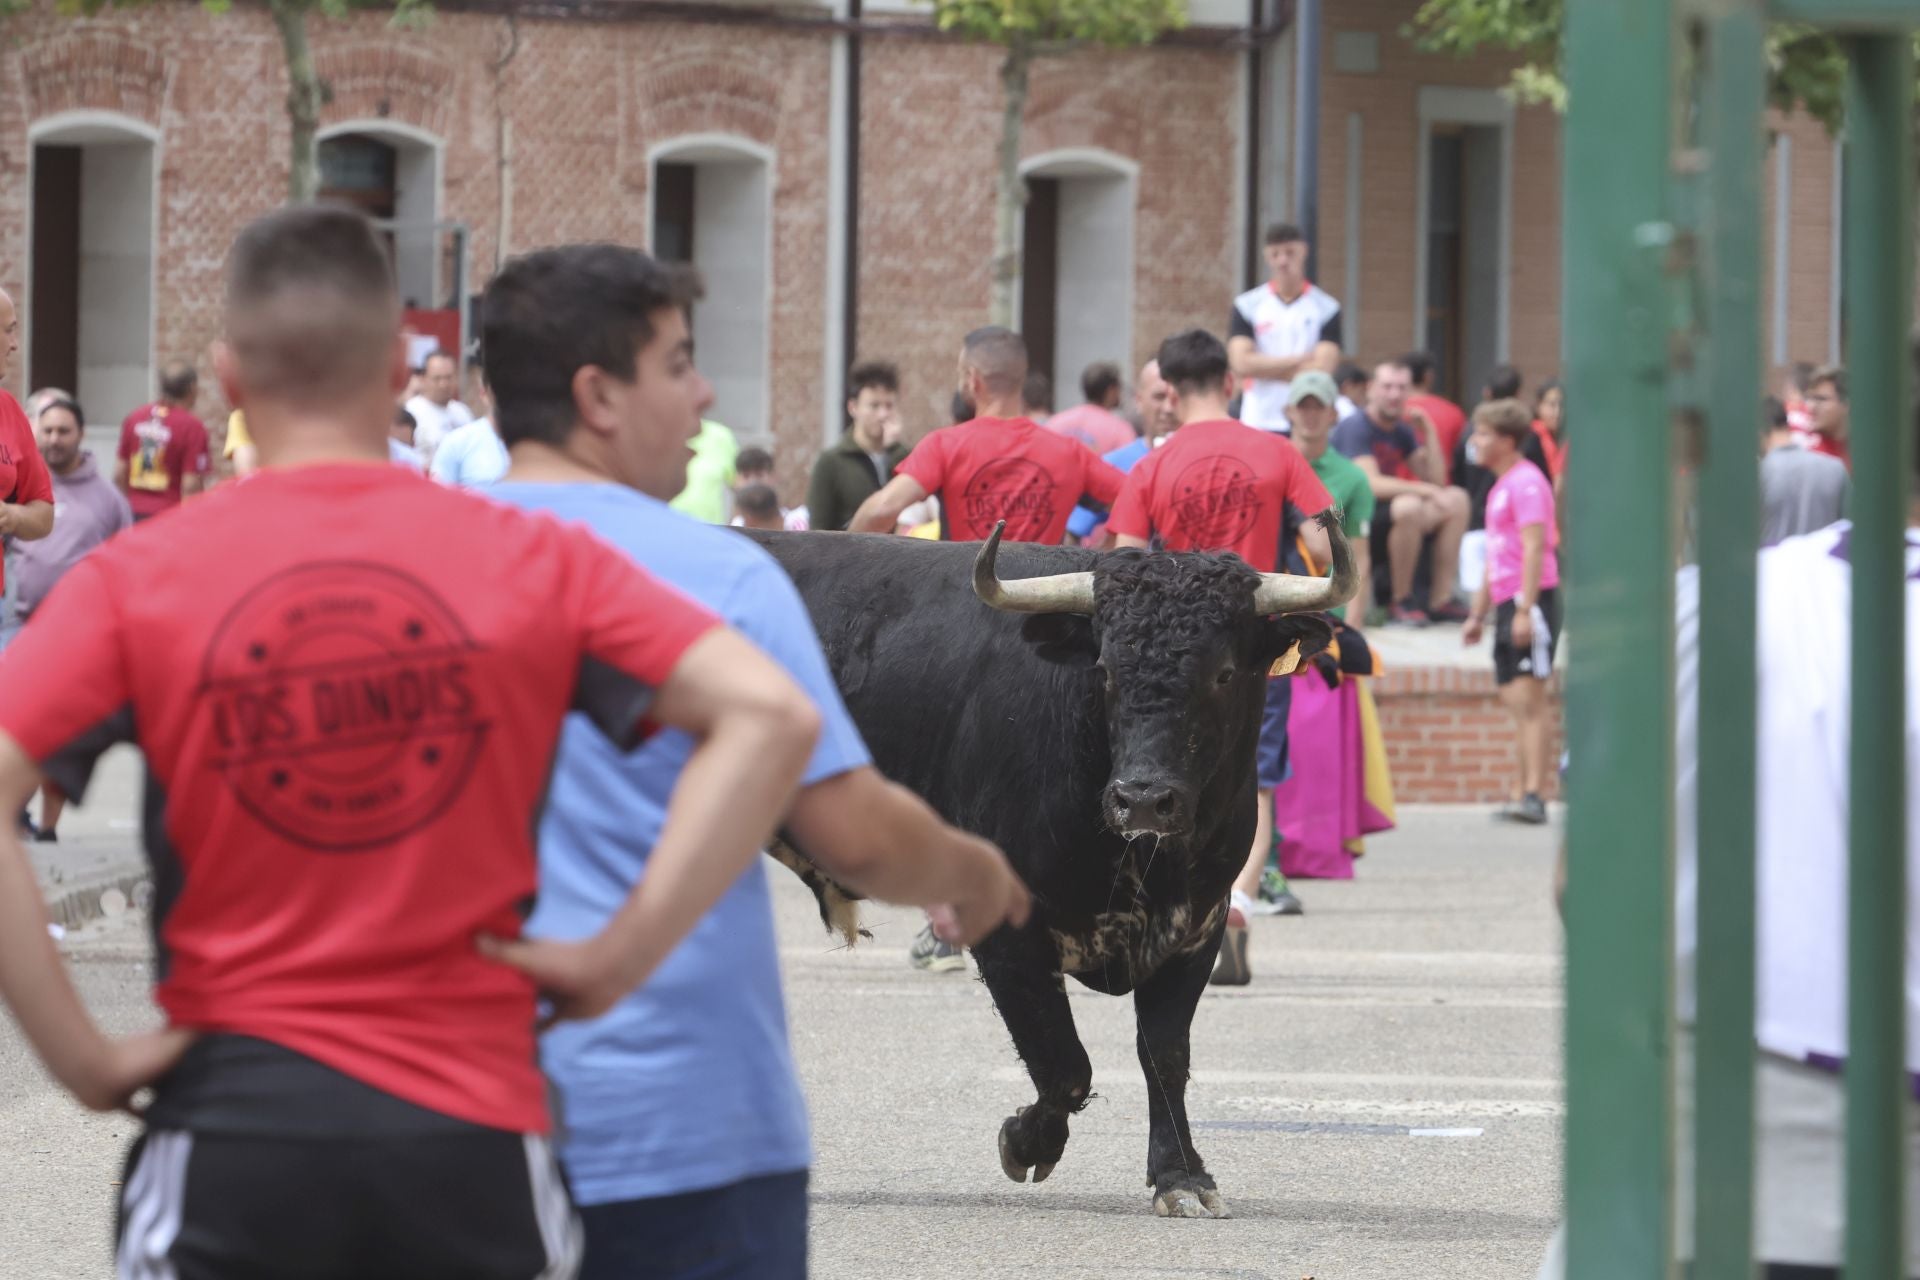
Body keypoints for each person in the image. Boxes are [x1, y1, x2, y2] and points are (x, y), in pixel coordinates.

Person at [0, 204, 830, 1279]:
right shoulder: (526, 556)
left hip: (235, 1126)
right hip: (475, 1132)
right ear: (398, 361)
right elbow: (770, 714)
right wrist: (612, 957)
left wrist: (83, 1058)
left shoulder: (137, 578)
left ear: (229, 376)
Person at [480, 244, 1029, 1275]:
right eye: (679, 361)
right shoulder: (718, 577)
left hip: (438, 1120)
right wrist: (974, 870)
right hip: (679, 1130)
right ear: (598, 395)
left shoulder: (403, 568)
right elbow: (855, 833)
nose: (707, 389)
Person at [1106, 330, 1336, 948]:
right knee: (1252, 775)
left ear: (1171, 394)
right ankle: (1239, 898)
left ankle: (1178, 904)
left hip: (1174, 655)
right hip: (1250, 645)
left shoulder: (1149, 465)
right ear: (1231, 385)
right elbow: (1324, 541)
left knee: (1173, 767)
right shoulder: (1278, 453)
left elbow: (1126, 569)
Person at [849, 327, 1124, 545]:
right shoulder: (1069, 452)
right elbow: (1134, 500)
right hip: (1044, 612)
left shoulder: (944, 446)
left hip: (965, 607)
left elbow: (881, 511)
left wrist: (840, 561)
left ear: (972, 379)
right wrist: (1100, 561)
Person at [5, 393, 131, 839]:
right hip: (17, 621)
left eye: (64, 431)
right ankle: (14, 811)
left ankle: (48, 825)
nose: (54, 440)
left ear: (81, 435)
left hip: (73, 636)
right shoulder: (20, 475)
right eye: (48, 430)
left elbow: (125, 563)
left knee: (54, 730)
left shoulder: (107, 499)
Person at [1461, 400, 1559, 825]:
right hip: (1504, 602)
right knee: (1512, 698)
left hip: (1529, 601)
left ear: (1505, 440)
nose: (1475, 442)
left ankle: (1535, 792)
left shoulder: (1527, 483)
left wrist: (1526, 607)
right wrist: (1477, 614)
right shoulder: (1499, 485)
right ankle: (1521, 790)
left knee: (1529, 698)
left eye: (1482, 434)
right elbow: (1494, 557)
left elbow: (1536, 546)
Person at [1333, 359, 1471, 625]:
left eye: (1401, 388)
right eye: (1387, 387)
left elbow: (1437, 480)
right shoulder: (1356, 426)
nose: (1394, 395)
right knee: (1409, 505)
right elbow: (1369, 484)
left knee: (1457, 499)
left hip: (1389, 514)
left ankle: (1440, 599)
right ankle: (1401, 599)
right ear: (1371, 389)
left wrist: (1429, 431)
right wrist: (1424, 490)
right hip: (1351, 519)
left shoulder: (1402, 430)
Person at [1227, 222, 1344, 433]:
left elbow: (1324, 368)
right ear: (1266, 255)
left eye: (1290, 253)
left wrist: (1262, 368)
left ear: (1304, 252)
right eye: (1275, 254)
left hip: (1306, 422)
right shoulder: (1247, 305)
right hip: (1259, 417)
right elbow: (1240, 363)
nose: (1283, 261)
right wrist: (1299, 360)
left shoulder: (1326, 307)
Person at [1286, 371, 1373, 628]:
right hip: (1273, 602)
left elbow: (1359, 555)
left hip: (1328, 612)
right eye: (1303, 406)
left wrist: (1354, 624)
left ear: (1333, 414)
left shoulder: (1354, 477)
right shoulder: (1269, 464)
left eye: (1319, 407)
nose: (1310, 415)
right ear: (1289, 411)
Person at [1066, 357, 1178, 546]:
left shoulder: (1204, 460)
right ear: (1139, 400)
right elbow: (1073, 532)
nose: (1168, 407)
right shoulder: (1114, 459)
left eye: (1175, 397)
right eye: (1159, 397)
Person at [807, 361, 908, 533]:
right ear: (853, 408)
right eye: (874, 406)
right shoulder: (832, 461)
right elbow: (818, 528)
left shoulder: (904, 456)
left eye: (888, 406)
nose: (883, 414)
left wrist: (894, 451)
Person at [116, 360, 212, 519]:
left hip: (132, 513)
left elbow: (119, 474)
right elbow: (191, 485)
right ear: (192, 388)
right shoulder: (192, 427)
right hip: (169, 517)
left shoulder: (134, 418)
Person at [1761, 393, 1849, 543]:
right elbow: (1851, 529)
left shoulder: (1758, 474)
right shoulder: (1836, 468)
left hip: (1772, 565)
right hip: (1828, 565)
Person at [1045, 361, 1138, 456]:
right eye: (1119, 388)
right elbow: (1129, 464)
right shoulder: (1120, 430)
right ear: (1111, 390)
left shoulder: (1055, 423)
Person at [1404, 351, 1468, 481]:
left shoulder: (1391, 415)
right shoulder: (1453, 412)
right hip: (1441, 490)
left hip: (1396, 490)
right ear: (1429, 376)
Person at [403, 349, 474, 466]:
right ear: (423, 378)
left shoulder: (463, 412)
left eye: (448, 378)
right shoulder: (411, 411)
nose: (443, 384)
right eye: (437, 378)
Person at [669, 418, 739, 524]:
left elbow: (741, 487)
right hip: (662, 530)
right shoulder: (652, 431)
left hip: (711, 532)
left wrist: (735, 532)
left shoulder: (721, 436)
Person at [1799, 364, 1849, 467]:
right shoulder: (1806, 459)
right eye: (1809, 398)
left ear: (1846, 404)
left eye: (1821, 399)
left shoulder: (1868, 454)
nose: (1810, 407)